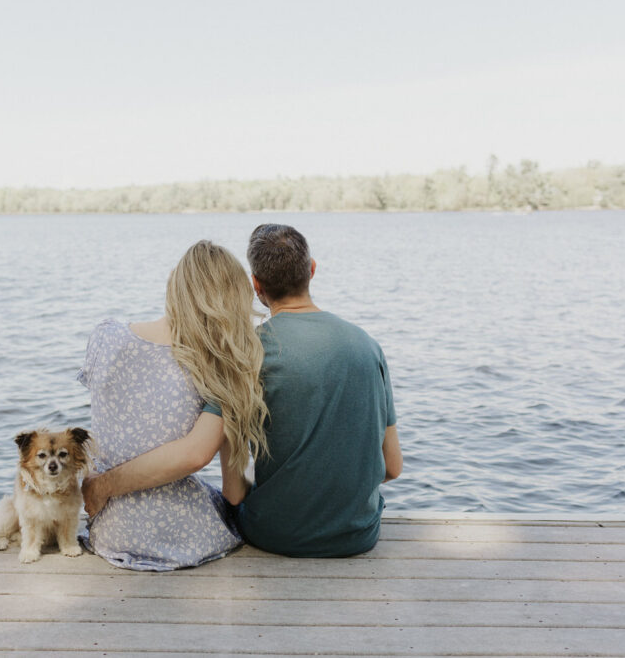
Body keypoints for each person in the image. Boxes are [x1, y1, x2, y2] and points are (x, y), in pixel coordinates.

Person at [84, 224, 402, 557]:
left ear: (256, 285)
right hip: (359, 536)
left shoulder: (246, 354)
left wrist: (103, 485)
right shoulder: (368, 346)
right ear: (312, 270)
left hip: (275, 536)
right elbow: (392, 467)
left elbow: (233, 492)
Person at [76, 240, 268, 570]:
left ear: (172, 283)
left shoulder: (105, 337)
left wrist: (102, 486)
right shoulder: (221, 371)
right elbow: (232, 491)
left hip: (110, 529)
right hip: (186, 538)